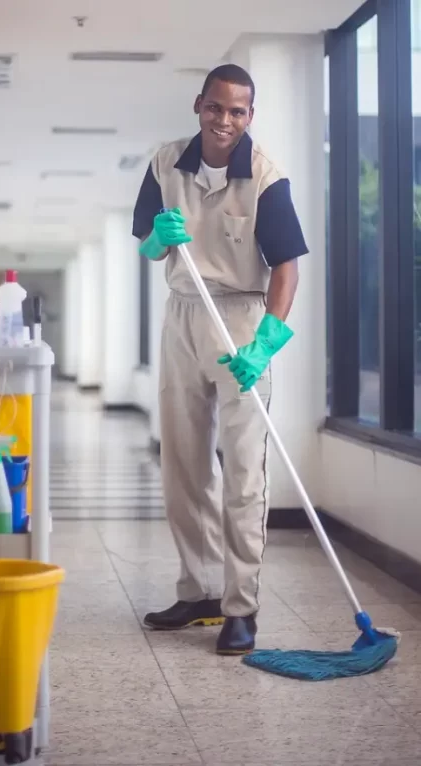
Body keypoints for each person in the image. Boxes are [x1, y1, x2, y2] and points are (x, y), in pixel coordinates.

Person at [132, 64, 308, 655]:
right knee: (183, 463)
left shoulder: (265, 176)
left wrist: (266, 344)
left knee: (242, 471)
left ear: (249, 116)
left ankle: (241, 607)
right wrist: (159, 236)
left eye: (237, 111)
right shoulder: (165, 164)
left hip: (241, 322)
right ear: (198, 104)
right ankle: (201, 589)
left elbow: (287, 268)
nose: (225, 120)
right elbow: (149, 246)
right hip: (183, 315)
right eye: (216, 107)